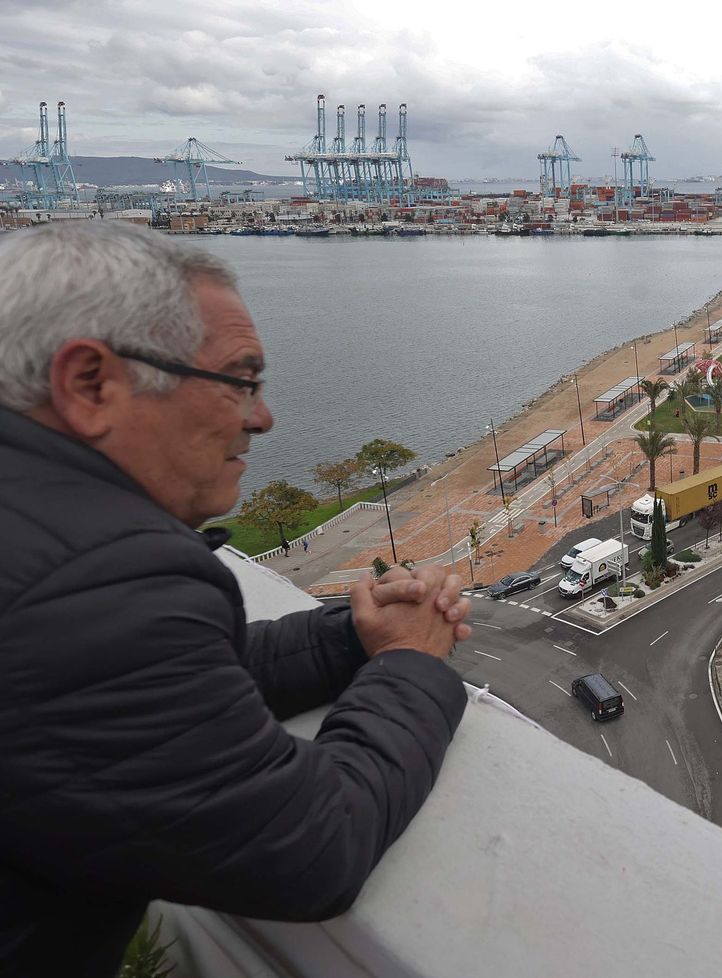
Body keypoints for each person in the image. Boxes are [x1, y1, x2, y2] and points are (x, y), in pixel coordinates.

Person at [0, 222, 474, 976]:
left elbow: (150, 694)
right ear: (91, 383)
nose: (263, 417)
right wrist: (412, 659)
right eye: (241, 380)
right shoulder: (88, 584)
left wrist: (347, 639)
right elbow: (312, 848)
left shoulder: (42, 541)